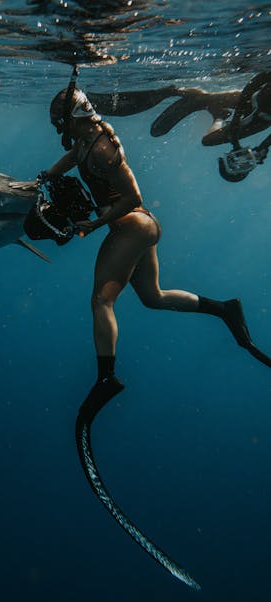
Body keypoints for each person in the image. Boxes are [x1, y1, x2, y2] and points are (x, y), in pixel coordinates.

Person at [38, 68, 270, 420]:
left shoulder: (104, 148)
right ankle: (224, 309)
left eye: (61, 122)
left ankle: (106, 378)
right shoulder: (88, 138)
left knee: (101, 300)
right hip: (140, 227)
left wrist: (96, 222)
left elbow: (133, 196)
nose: (60, 129)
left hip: (132, 227)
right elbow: (75, 156)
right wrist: (49, 174)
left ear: (74, 117)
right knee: (153, 297)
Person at [86, 72, 271, 182]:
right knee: (159, 129)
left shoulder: (252, 121)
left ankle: (183, 96)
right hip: (245, 107)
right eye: (246, 165)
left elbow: (257, 80)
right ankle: (176, 93)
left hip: (253, 110)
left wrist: (260, 144)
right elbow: (258, 79)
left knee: (158, 130)